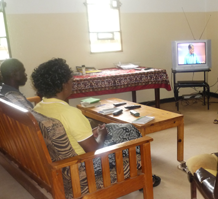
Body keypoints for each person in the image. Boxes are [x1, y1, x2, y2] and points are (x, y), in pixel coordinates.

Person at [31, 58, 161, 187]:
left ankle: (142, 172)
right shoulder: (69, 113)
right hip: (83, 165)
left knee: (122, 127)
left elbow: (67, 134)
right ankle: (145, 176)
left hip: (62, 158)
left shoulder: (38, 108)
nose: (73, 84)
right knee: (131, 133)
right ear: (64, 85)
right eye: (71, 81)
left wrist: (92, 133)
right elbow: (94, 150)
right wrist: (101, 134)